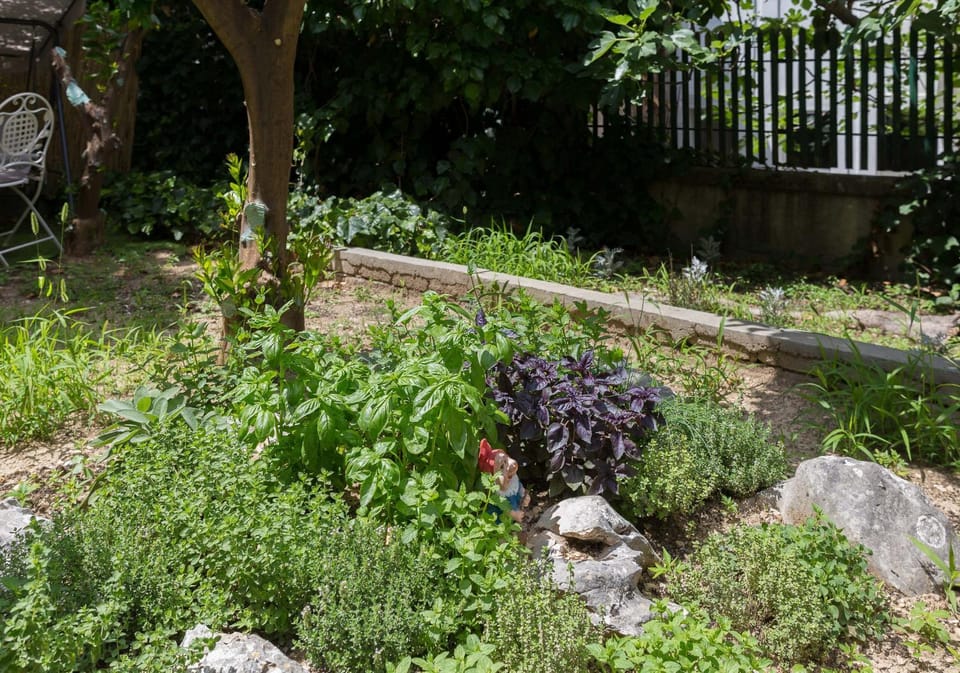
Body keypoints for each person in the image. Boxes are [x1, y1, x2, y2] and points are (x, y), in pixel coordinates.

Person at [478, 438, 529, 523]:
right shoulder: (498, 496)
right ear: (493, 479)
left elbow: (519, 489)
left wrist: (524, 496)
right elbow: (506, 509)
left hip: (515, 510)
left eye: (507, 459)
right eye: (502, 467)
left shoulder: (513, 481)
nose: (511, 464)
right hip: (501, 520)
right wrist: (514, 515)